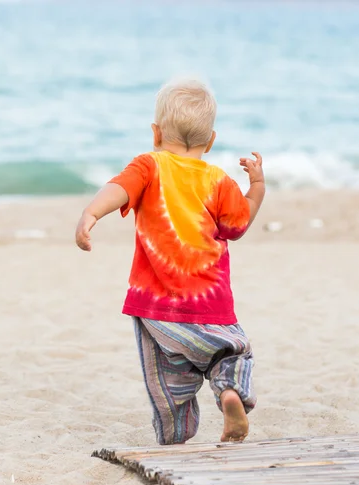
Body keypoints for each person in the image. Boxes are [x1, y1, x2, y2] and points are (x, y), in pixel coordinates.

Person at [75, 79, 265, 445]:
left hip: (155, 306)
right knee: (229, 352)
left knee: (166, 377)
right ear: (210, 142)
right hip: (211, 305)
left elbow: (119, 188)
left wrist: (91, 213)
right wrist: (257, 188)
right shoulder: (219, 181)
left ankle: (176, 435)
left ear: (156, 133)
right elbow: (238, 225)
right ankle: (229, 393)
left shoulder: (149, 166)